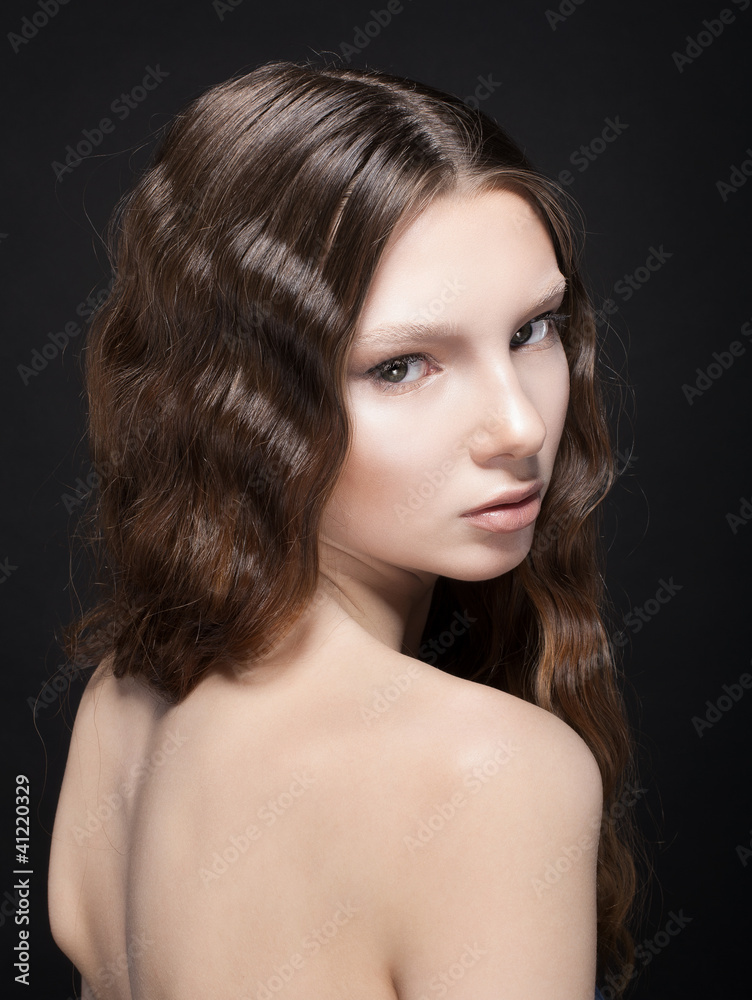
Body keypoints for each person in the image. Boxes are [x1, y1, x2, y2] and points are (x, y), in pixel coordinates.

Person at [48, 58, 641, 1000]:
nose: (520, 427)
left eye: (532, 330)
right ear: (239, 402)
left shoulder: (119, 705)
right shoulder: (489, 775)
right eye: (402, 366)